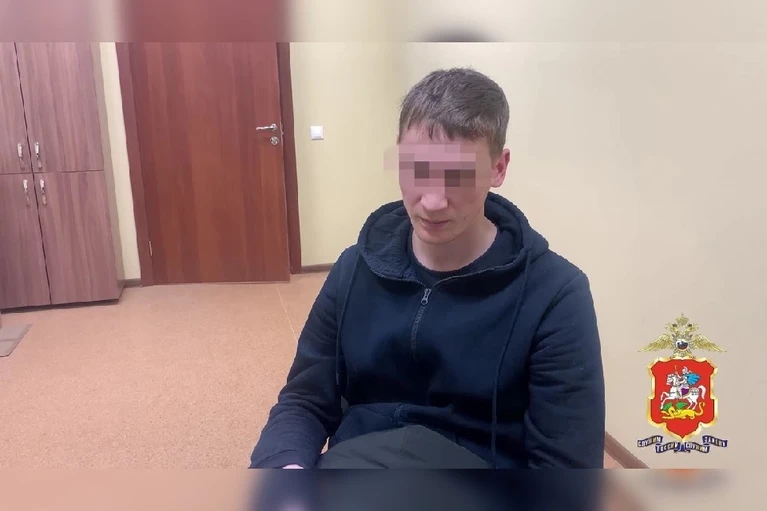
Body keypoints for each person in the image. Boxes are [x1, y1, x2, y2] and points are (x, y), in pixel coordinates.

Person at [250, 67, 606, 469]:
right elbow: (304, 400)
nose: (433, 202)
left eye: (458, 175)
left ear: (499, 168)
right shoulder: (353, 268)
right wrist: (285, 469)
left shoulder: (556, 294)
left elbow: (565, 472)